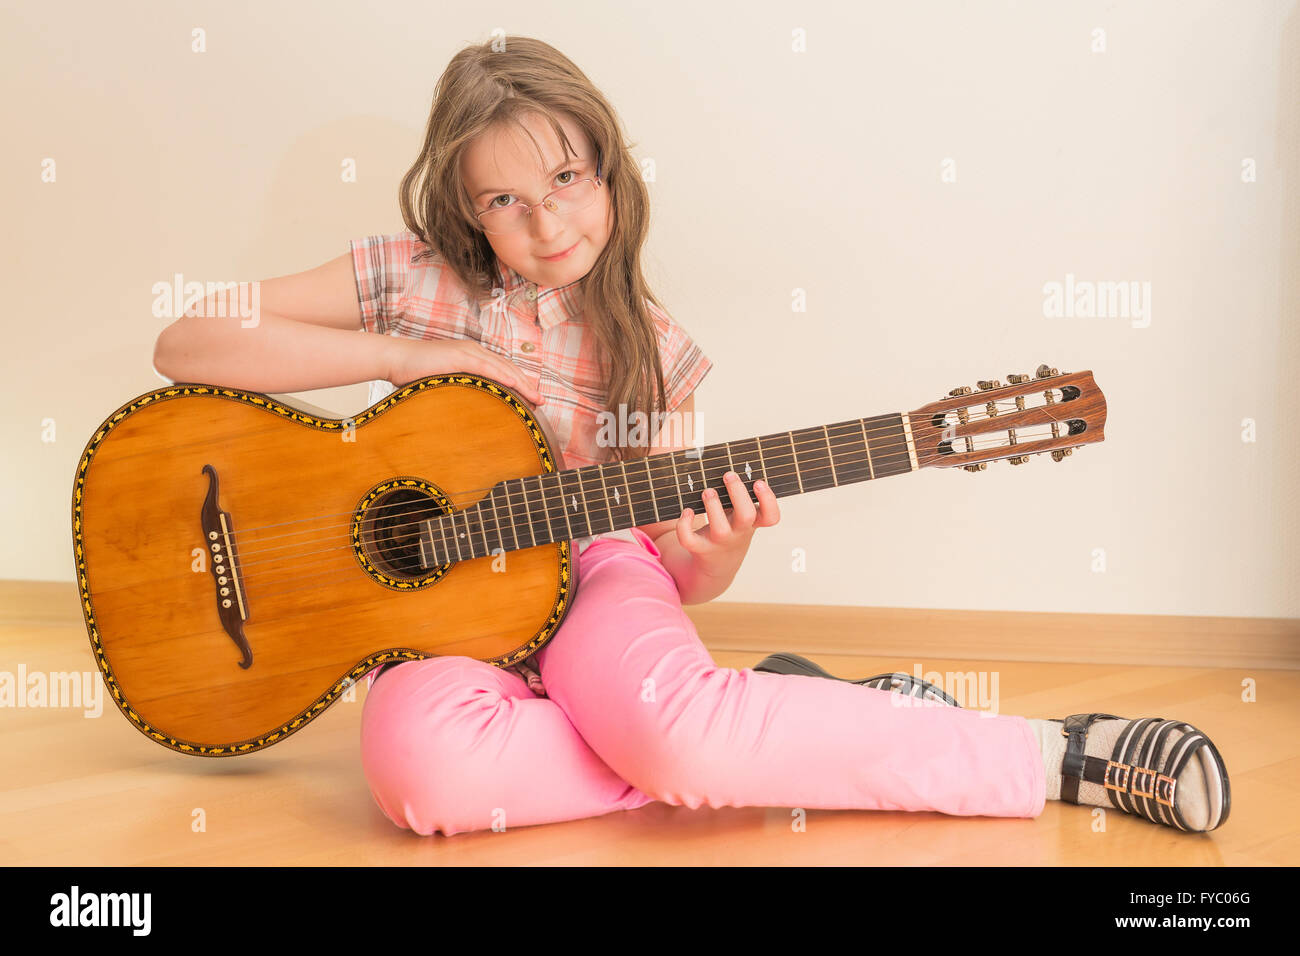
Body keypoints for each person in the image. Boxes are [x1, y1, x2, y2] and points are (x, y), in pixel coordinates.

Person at [153, 35, 1229, 838]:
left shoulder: (655, 351)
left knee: (676, 727)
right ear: (465, 207)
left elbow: (677, 568)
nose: (547, 223)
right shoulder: (409, 280)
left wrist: (714, 552)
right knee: (415, 776)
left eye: (567, 180)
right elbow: (187, 337)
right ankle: (781, 724)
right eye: (505, 200)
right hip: (434, 604)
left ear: (609, 171)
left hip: (592, 571)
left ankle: (1054, 754)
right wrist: (399, 356)